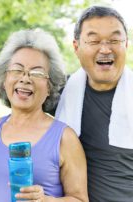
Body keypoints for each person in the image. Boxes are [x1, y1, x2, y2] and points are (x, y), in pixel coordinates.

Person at [0, 29, 88, 202]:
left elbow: (80, 199)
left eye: (37, 73)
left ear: (49, 86)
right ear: (5, 79)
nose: (25, 79)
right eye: (17, 70)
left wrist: (46, 200)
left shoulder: (65, 137)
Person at [55, 6, 133, 201]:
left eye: (115, 40)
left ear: (126, 45)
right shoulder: (63, 92)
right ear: (76, 47)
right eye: (94, 41)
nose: (105, 49)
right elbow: (8, 85)